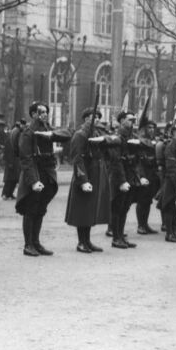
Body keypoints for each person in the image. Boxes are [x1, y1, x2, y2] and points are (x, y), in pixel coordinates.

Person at [16, 101, 71, 256]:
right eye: (41, 112)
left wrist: (52, 135)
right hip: (35, 172)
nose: (45, 114)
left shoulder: (47, 129)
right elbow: (26, 158)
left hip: (46, 172)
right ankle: (28, 245)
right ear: (33, 114)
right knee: (31, 209)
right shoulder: (28, 132)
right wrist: (33, 181)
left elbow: (67, 134)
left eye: (46, 111)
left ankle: (36, 242)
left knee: (41, 209)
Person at [64, 107, 110, 253]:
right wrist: (83, 180)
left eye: (98, 117)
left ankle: (87, 241)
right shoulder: (80, 135)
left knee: (90, 209)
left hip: (95, 174)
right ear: (86, 119)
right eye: (93, 117)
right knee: (82, 210)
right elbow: (77, 159)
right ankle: (81, 242)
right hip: (84, 175)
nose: (97, 120)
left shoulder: (96, 133)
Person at [106, 111, 143, 249]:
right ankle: (116, 238)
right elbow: (116, 161)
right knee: (117, 207)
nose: (132, 122)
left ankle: (121, 236)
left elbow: (137, 157)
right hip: (118, 176)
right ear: (121, 121)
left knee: (125, 207)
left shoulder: (132, 136)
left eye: (133, 120)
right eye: (129, 120)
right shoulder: (116, 137)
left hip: (130, 175)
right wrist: (121, 181)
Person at [158, 120, 176, 242]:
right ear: (174, 131)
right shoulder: (171, 146)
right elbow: (172, 166)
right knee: (169, 206)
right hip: (171, 180)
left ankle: (174, 231)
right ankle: (169, 233)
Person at [135, 120, 160, 235]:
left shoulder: (154, 141)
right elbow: (138, 161)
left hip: (152, 173)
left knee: (148, 201)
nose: (151, 130)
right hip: (143, 172)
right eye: (149, 128)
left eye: (153, 128)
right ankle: (140, 225)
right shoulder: (140, 142)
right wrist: (141, 176)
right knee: (142, 200)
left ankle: (145, 224)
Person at [1, 119, 25, 200]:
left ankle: (9, 193)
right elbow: (9, 149)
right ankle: (5, 193)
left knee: (13, 178)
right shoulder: (14, 134)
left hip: (14, 159)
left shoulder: (15, 133)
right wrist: (10, 161)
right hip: (12, 160)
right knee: (10, 178)